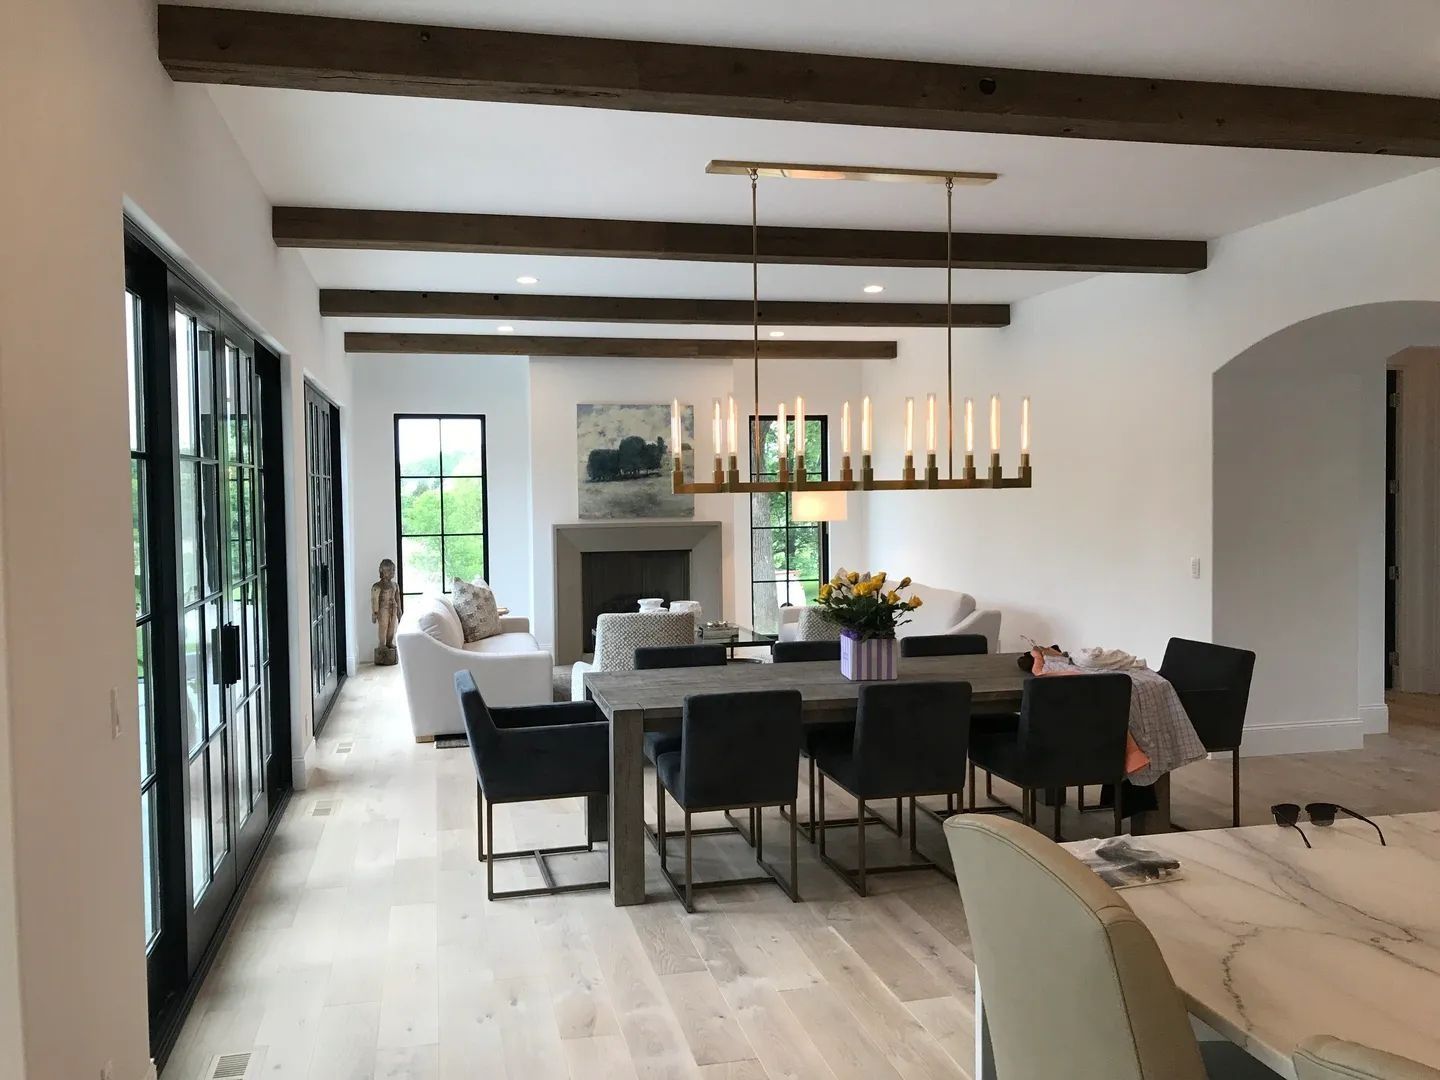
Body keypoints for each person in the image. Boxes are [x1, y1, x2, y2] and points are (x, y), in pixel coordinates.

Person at [371, 558, 403, 664]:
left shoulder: (395, 585)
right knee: (383, 626)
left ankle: (389, 642)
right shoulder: (377, 586)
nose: (392, 572)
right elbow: (375, 599)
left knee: (392, 626)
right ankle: (382, 644)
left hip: (393, 607)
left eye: (393, 570)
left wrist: (399, 610)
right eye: (389, 570)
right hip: (383, 609)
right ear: (382, 571)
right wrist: (375, 613)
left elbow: (397, 598)